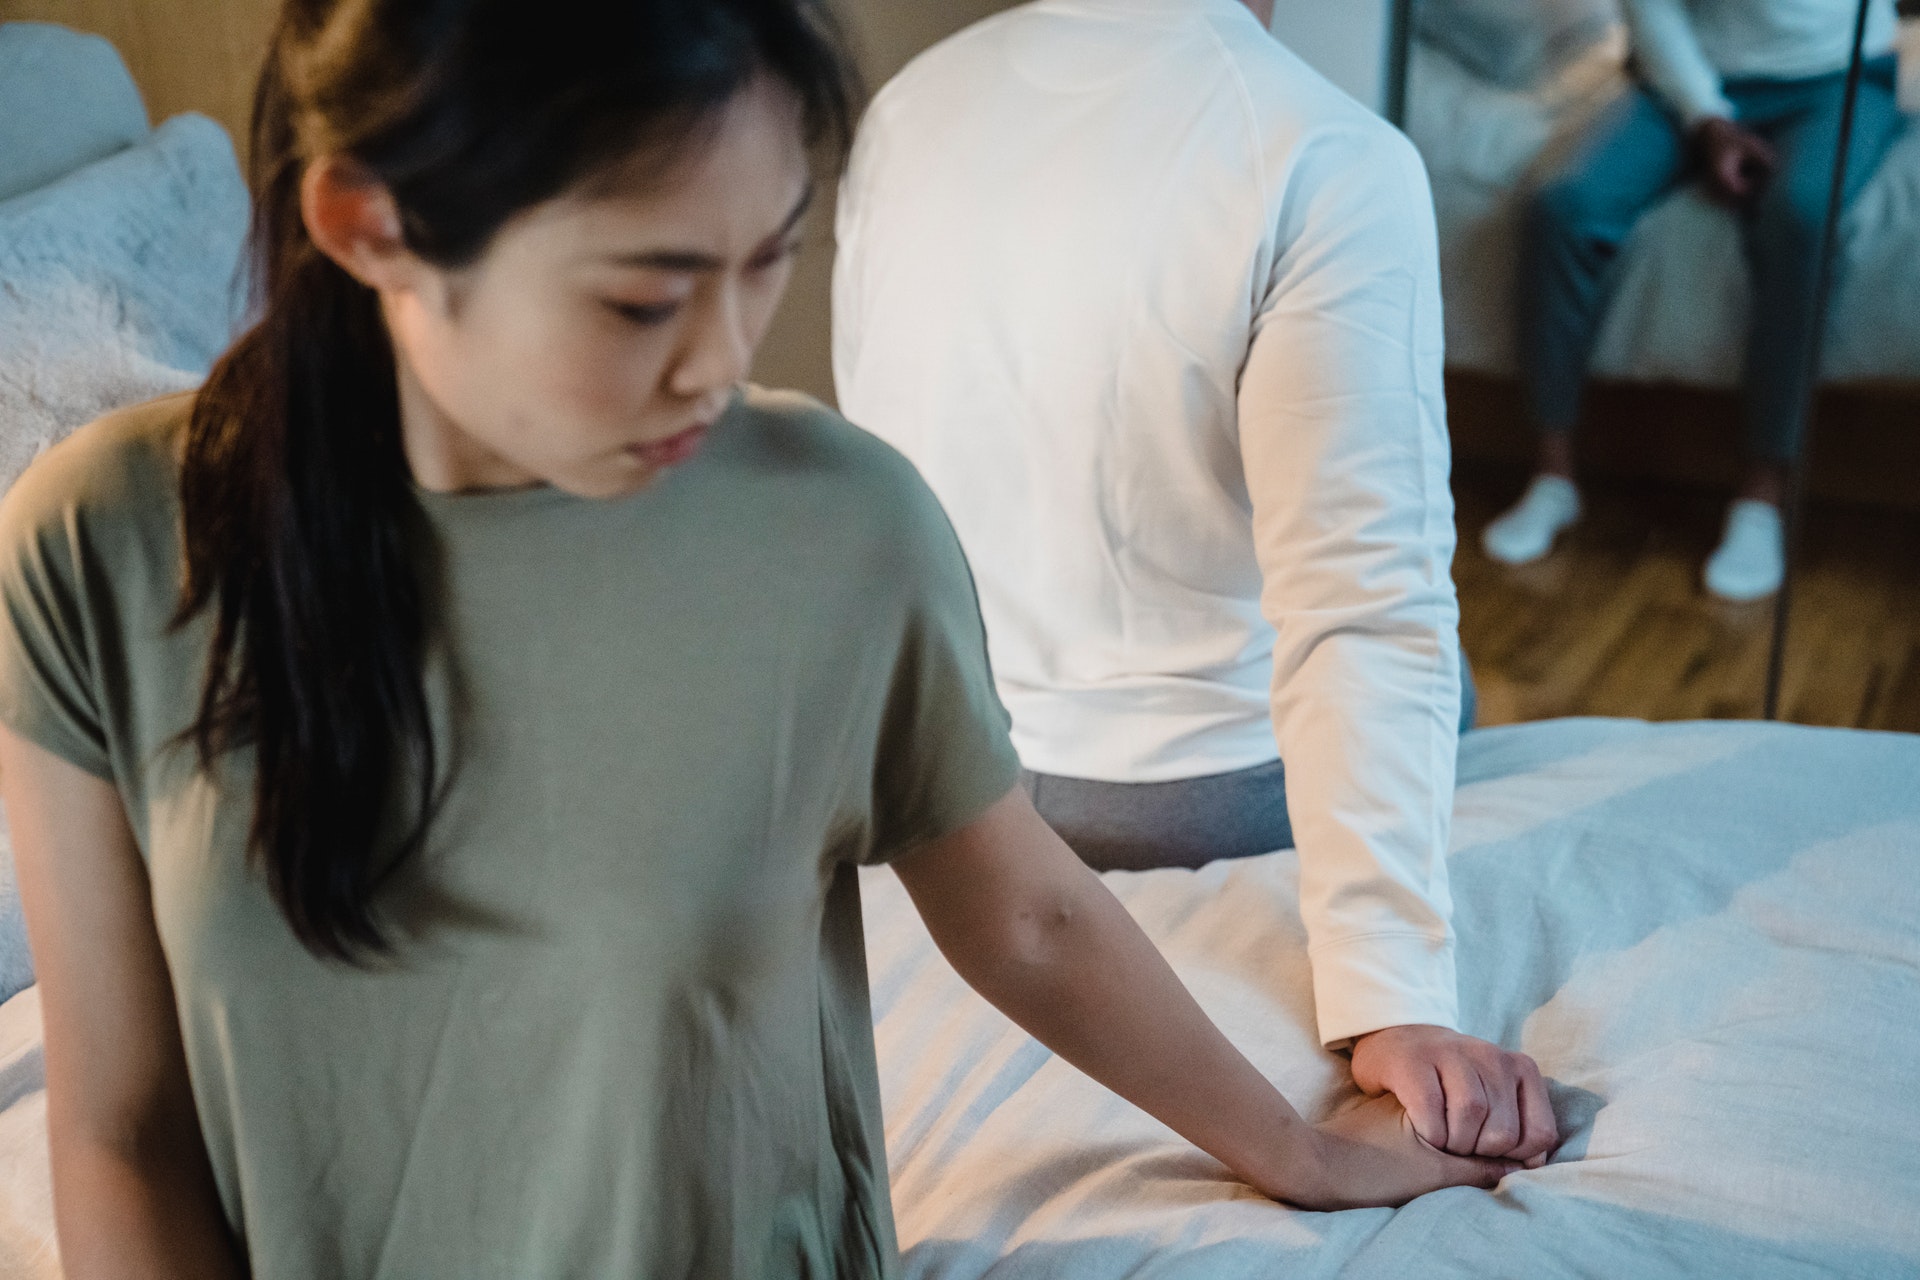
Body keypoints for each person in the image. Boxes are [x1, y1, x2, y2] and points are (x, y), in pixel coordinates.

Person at [0, 0, 1548, 1275]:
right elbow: (125, 1128)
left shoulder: (837, 521)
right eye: (644, 299)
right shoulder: (99, 545)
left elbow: (1026, 915)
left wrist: (1298, 1146)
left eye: (768, 264)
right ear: (372, 224)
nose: (721, 365)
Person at [834, 0, 1554, 1170]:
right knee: (1448, 679)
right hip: (1200, 792)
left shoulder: (909, 106)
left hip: (960, 778)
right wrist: (1393, 995)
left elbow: (882, 481)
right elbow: (1369, 600)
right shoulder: (1326, 155)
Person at [1484, 0, 1906, 600]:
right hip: (1687, 72)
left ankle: (1761, 500)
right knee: (1563, 209)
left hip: (1839, 75)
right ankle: (1553, 476)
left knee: (1803, 216)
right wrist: (1706, 117)